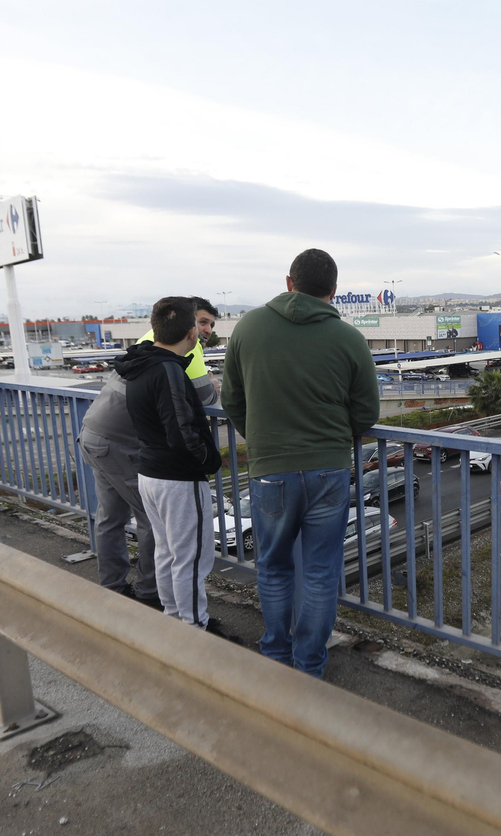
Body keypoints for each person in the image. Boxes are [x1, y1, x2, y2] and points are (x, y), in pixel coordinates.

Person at [221, 249, 379, 677]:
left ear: (288, 282)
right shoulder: (349, 338)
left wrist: (260, 440)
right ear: (333, 291)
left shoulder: (249, 327)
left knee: (272, 566)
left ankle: (276, 656)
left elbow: (231, 400)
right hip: (328, 468)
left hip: (270, 469)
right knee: (321, 571)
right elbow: (366, 414)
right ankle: (309, 663)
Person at [79, 298, 219, 609]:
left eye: (211, 324)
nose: (206, 329)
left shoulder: (149, 340)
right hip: (119, 442)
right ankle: (148, 594)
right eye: (203, 322)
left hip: (94, 432)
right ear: (189, 327)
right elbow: (203, 395)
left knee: (110, 517)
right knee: (152, 518)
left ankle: (112, 588)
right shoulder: (186, 348)